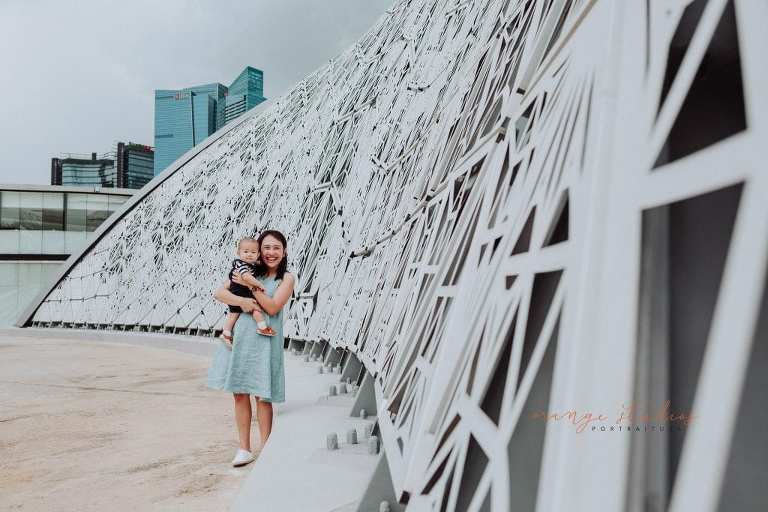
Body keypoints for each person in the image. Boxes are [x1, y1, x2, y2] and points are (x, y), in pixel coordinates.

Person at [207, 230, 295, 467]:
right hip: (241, 339)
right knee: (240, 393)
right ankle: (244, 448)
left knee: (263, 396)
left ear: (284, 251)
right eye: (266, 248)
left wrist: (249, 289)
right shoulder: (248, 270)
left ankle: (266, 448)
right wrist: (243, 301)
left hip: (265, 343)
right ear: (259, 251)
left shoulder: (286, 278)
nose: (270, 252)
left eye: (276, 248)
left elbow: (273, 307)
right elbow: (219, 292)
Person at [219, 237, 276, 350]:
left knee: (233, 315)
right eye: (246, 252)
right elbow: (246, 277)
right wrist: (258, 284)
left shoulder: (250, 265)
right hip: (240, 293)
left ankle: (226, 333)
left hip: (238, 293)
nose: (249, 254)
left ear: (258, 254)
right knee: (255, 309)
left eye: (253, 252)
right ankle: (262, 327)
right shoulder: (241, 264)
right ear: (238, 253)